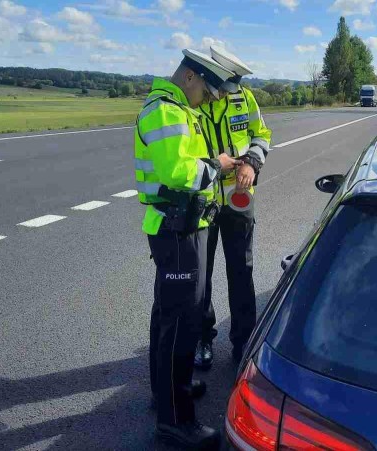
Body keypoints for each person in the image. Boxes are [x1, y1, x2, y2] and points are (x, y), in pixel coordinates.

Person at [134, 48, 242, 449]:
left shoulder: (179, 109)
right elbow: (179, 172)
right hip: (177, 230)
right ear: (192, 77)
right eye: (209, 91)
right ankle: (175, 422)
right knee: (181, 323)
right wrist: (219, 164)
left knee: (169, 315)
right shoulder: (166, 111)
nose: (212, 100)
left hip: (181, 228)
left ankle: (166, 393)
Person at [194, 46, 272, 369]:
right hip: (203, 201)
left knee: (242, 270)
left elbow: (262, 134)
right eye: (225, 86)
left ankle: (243, 342)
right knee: (201, 275)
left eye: (233, 86)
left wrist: (252, 162)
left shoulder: (245, 99)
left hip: (240, 200)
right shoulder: (194, 104)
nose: (228, 93)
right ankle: (202, 338)